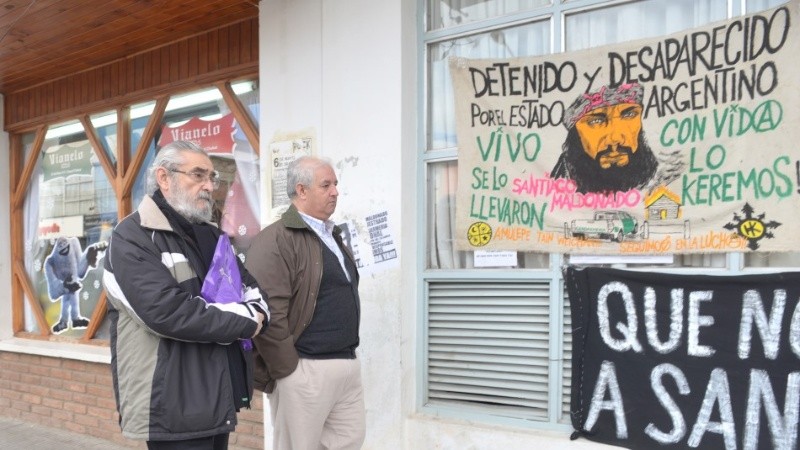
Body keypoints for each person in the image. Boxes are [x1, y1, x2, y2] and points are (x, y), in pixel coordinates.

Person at [102, 140, 269, 450]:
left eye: (212, 177)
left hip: (218, 394)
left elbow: (251, 289)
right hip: (174, 406)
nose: (209, 186)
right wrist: (248, 320)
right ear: (164, 178)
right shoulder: (132, 237)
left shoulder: (211, 234)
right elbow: (168, 312)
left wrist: (257, 310)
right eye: (198, 175)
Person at [246, 155, 365, 450]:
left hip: (346, 364)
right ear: (301, 191)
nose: (335, 191)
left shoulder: (331, 235)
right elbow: (269, 311)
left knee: (350, 442)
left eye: (335, 184)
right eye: (326, 185)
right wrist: (289, 370)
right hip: (304, 369)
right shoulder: (275, 240)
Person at [550, 82, 659, 193]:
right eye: (596, 121)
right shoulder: (556, 187)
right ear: (575, 133)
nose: (615, 139)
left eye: (629, 115)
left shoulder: (663, 180)